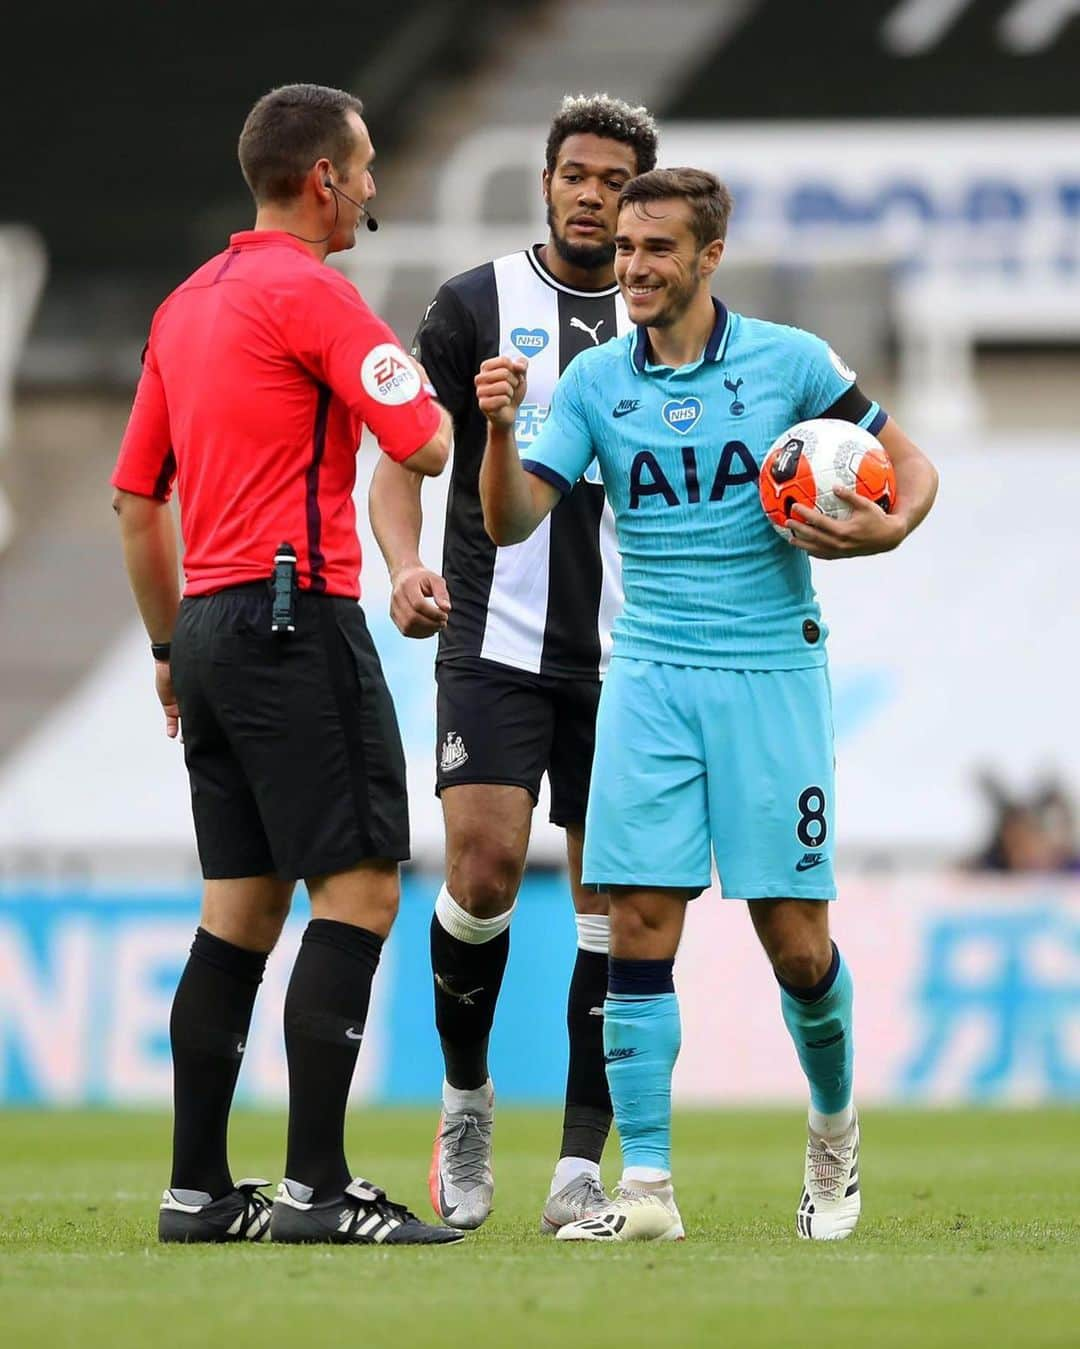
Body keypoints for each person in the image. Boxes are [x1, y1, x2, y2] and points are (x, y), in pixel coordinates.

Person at [475, 167, 939, 1243]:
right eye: (626, 247)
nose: (632, 265)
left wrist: (889, 527)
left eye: (657, 248)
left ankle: (832, 1138)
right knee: (637, 921)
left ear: (708, 255)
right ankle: (648, 1190)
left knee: (795, 942)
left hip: (772, 674)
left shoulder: (791, 362)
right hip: (647, 678)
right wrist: (498, 430)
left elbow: (911, 468)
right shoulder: (592, 384)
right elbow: (508, 523)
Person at [111, 83, 463, 1247]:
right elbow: (423, 437)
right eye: (360, 169)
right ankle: (319, 1187)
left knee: (240, 910)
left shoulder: (184, 306)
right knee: (359, 887)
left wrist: (170, 649)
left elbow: (132, 500)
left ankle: (199, 1190)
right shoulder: (315, 294)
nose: (368, 186)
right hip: (291, 612)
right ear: (322, 180)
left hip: (208, 625)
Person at [368, 94, 659, 1232]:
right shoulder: (474, 303)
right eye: (575, 174)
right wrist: (400, 563)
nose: (591, 194)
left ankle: (579, 1167)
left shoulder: (666, 317)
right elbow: (400, 459)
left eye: (613, 181)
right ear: (547, 181)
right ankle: (465, 1096)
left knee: (611, 904)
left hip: (632, 655)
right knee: (482, 871)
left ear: (640, 198)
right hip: (492, 638)